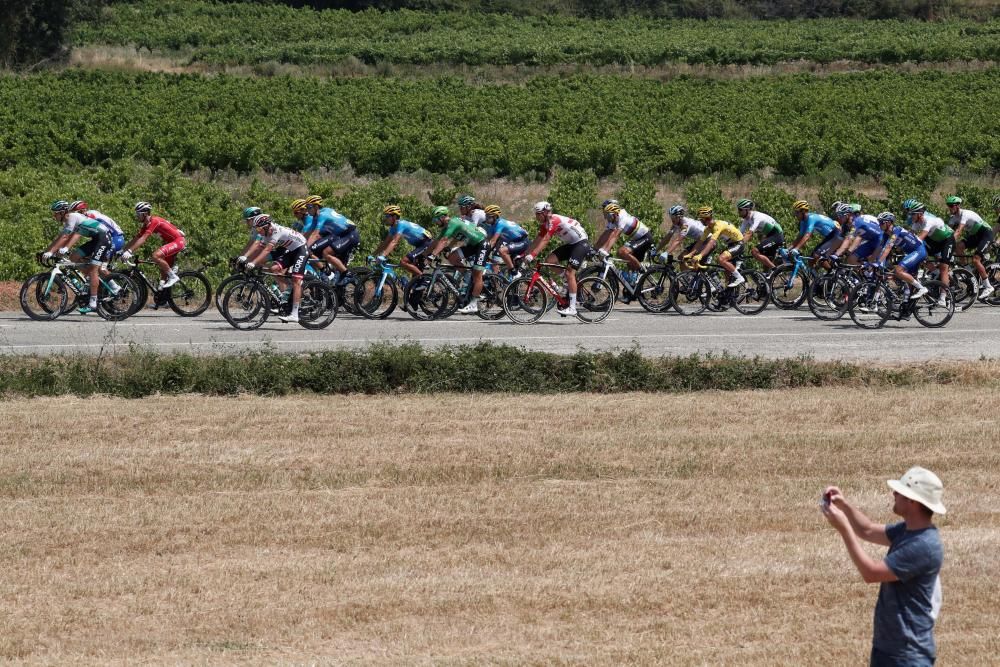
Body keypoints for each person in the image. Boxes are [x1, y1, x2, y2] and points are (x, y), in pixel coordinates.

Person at [821, 467, 945, 666]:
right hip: (889, 650)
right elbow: (867, 530)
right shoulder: (908, 531)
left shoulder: (923, 546)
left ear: (912, 501)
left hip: (907, 655)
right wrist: (844, 505)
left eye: (899, 492)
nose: (894, 494)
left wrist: (843, 528)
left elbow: (871, 572)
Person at [41, 200, 115, 314]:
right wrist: (47, 251)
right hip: (96, 240)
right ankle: (90, 281)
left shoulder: (72, 216)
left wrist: (53, 251)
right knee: (74, 257)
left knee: (93, 269)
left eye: (55, 213)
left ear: (62, 212)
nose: (54, 216)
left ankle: (93, 303)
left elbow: (65, 237)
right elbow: (60, 238)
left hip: (104, 239)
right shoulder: (68, 221)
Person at [523, 201, 592, 317]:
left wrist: (532, 255)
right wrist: (525, 253)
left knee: (570, 273)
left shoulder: (553, 220)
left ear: (545, 213)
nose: (536, 216)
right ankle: (566, 281)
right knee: (550, 261)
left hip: (581, 243)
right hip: (572, 244)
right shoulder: (546, 224)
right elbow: (537, 239)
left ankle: (573, 308)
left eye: (538, 214)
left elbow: (545, 240)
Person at [239, 214, 308, 323]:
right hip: (291, 250)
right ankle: (290, 288)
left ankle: (294, 314)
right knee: (274, 269)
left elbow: (266, 251)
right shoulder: (266, 233)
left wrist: (253, 263)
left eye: (258, 228)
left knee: (296, 280)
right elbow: (258, 247)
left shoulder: (276, 231)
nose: (258, 231)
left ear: (266, 226)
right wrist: (245, 257)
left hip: (301, 249)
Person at [426, 205, 490, 314]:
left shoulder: (453, 223)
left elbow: (444, 240)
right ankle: (467, 276)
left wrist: (433, 255)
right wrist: (424, 254)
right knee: (452, 257)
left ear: (442, 217)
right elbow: (437, 241)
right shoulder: (449, 225)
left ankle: (474, 304)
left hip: (482, 244)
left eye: (435, 219)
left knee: (477, 273)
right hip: (472, 244)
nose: (435, 222)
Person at [120, 201, 186, 289]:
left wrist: (129, 251)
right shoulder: (146, 225)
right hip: (171, 242)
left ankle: (173, 276)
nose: (137, 216)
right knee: (163, 273)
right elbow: (136, 239)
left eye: (138, 214)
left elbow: (143, 239)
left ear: (145, 213)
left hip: (178, 241)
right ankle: (163, 297)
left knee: (155, 256)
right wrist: (122, 250)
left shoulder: (154, 221)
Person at [684, 206, 746, 287]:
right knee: (726, 270)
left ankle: (740, 278)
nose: (700, 221)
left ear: (706, 218)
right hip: (731, 244)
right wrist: (691, 254)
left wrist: (700, 255)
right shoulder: (708, 228)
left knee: (721, 259)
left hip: (739, 243)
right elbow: (700, 242)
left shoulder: (718, 226)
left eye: (701, 219)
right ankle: (728, 291)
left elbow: (710, 243)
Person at [945, 196, 993, 299]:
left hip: (985, 234)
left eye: (951, 206)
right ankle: (968, 271)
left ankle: (988, 287)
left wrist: (948, 242)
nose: (950, 208)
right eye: (948, 206)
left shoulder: (965, 214)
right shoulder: (953, 218)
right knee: (959, 247)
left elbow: (958, 231)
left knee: (976, 260)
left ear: (958, 206)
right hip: (975, 236)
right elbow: (947, 232)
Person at [301, 195, 359, 280]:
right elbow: (310, 232)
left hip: (350, 234)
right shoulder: (317, 215)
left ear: (316, 206)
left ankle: (347, 273)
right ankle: (338, 278)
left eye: (309, 207)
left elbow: (315, 235)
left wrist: (305, 247)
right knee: (335, 265)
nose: (307, 210)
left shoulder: (322, 215)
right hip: (341, 235)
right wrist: (299, 241)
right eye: (306, 207)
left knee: (326, 252)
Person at [875, 211, 928, 300]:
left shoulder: (896, 230)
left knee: (898, 270)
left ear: (888, 223)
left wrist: (878, 262)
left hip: (919, 251)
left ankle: (922, 288)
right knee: (907, 279)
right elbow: (879, 249)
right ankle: (907, 305)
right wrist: (872, 262)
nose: (879, 225)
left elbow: (888, 247)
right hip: (911, 253)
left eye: (881, 222)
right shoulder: (886, 235)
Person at [908, 203, 954, 305]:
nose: (911, 216)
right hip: (935, 241)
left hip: (947, 240)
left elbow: (921, 237)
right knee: (920, 255)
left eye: (913, 214)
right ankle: (936, 272)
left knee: (943, 267)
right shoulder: (916, 223)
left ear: (920, 214)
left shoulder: (929, 220)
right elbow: (909, 236)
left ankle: (943, 296)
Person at [371, 205, 434, 278]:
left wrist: (383, 255)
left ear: (394, 217)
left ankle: (425, 279)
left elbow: (394, 242)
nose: (385, 218)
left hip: (426, 243)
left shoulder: (401, 224)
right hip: (419, 245)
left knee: (403, 262)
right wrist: (373, 254)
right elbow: (385, 243)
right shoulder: (393, 228)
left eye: (387, 216)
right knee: (415, 277)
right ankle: (419, 284)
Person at [594, 202, 653, 274]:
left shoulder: (622, 218)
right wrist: (596, 248)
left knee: (622, 251)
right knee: (624, 258)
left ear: (615, 214)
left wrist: (605, 250)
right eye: (606, 216)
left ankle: (643, 272)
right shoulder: (614, 219)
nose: (607, 219)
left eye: (608, 216)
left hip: (645, 237)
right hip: (637, 239)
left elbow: (615, 235)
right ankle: (635, 279)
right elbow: (606, 234)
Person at [736, 198, 784, 271]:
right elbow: (739, 234)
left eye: (740, 209)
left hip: (777, 236)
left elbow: (750, 233)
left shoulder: (757, 216)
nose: (738, 212)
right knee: (766, 260)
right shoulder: (746, 220)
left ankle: (776, 271)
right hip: (769, 236)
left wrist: (740, 245)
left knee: (754, 251)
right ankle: (768, 276)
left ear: (747, 210)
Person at [481, 204, 529, 275]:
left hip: (523, 241)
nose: (486, 218)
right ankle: (504, 279)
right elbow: (487, 240)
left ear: (495, 217)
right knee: (496, 258)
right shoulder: (492, 225)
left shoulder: (500, 224)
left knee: (502, 251)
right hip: (513, 242)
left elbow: (493, 241)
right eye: (486, 216)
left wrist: (482, 253)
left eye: (488, 216)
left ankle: (514, 272)